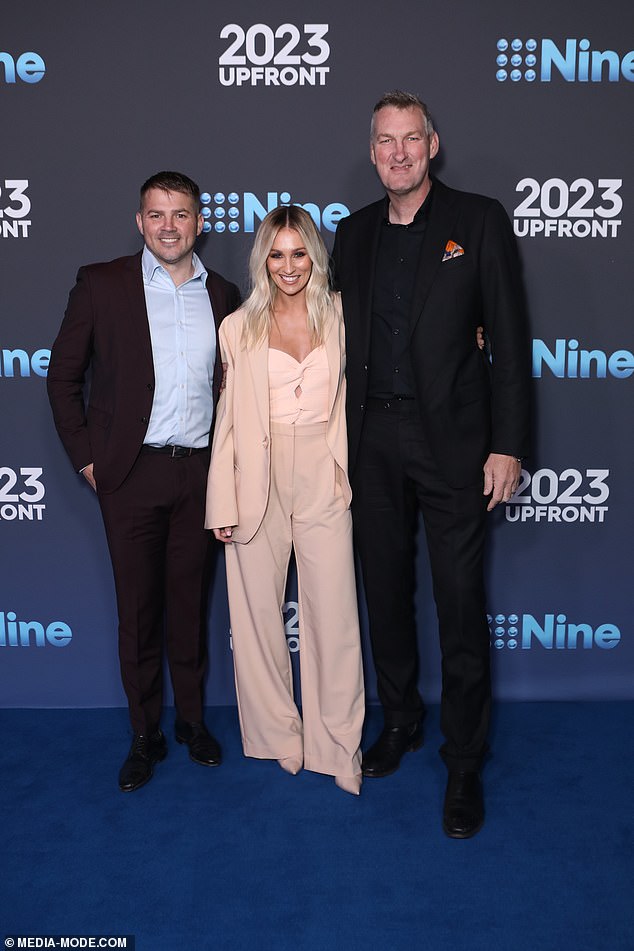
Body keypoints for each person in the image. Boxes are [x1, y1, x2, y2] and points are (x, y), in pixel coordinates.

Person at [332, 91, 530, 836]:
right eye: (386, 141)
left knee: (456, 603)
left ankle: (464, 758)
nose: (399, 153)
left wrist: (507, 443)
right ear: (373, 149)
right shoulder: (350, 234)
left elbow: (509, 339)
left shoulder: (477, 220)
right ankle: (402, 720)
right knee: (384, 592)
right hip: (370, 442)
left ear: (434, 144)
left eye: (411, 139)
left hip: (454, 445)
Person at [47, 171, 241, 792]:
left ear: (199, 223)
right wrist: (87, 460)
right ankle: (143, 734)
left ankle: (190, 723)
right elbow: (61, 379)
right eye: (156, 214)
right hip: (130, 473)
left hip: (201, 474)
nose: (168, 225)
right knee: (138, 610)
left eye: (180, 214)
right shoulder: (102, 284)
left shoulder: (226, 295)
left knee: (189, 606)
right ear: (139, 221)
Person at [206, 205, 365, 795]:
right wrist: (221, 500)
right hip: (257, 479)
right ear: (263, 259)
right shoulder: (238, 327)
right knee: (255, 619)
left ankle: (337, 744)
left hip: (324, 474)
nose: (289, 266)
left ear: (315, 256)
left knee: (335, 616)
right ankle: (278, 736)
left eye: (300, 253)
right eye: (277, 253)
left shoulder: (343, 316)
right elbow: (227, 422)